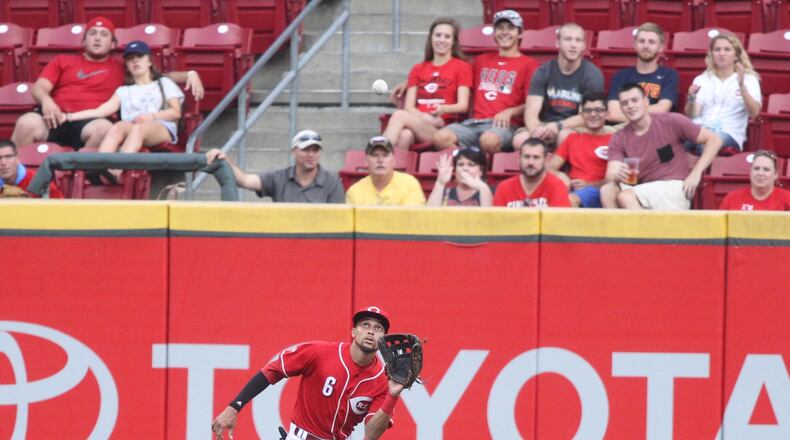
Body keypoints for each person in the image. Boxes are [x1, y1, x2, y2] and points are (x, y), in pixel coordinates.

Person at [211, 306, 404, 440]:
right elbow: (272, 371)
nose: (370, 332)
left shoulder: (382, 380)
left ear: (383, 339)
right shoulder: (319, 352)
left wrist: (393, 396)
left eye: (378, 328)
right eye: (365, 325)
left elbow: (370, 434)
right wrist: (234, 407)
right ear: (353, 332)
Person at [11, 17, 203, 150]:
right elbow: (39, 88)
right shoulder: (62, 60)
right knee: (25, 122)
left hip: (90, 122)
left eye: (104, 34)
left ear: (112, 44)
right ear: (83, 40)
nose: (97, 38)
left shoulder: (122, 66)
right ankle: (9, 183)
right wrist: (46, 101)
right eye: (92, 33)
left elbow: (156, 76)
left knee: (104, 129)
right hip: (55, 116)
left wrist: (189, 74)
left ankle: (79, 182)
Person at [63, 40, 184, 182]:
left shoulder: (163, 82)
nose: (135, 62)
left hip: (160, 125)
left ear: (149, 61)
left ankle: (115, 171)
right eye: (131, 59)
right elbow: (100, 111)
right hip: (132, 125)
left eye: (140, 57)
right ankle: (97, 167)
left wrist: (151, 116)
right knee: (117, 127)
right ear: (127, 65)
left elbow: (176, 112)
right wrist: (68, 116)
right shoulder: (124, 90)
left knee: (138, 130)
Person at [431, 9, 539, 153]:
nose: (504, 32)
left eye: (510, 28)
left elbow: (534, 102)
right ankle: (468, 162)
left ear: (520, 33)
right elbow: (453, 73)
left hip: (505, 126)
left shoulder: (529, 64)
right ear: (494, 33)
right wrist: (409, 83)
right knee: (440, 137)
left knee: (488, 141)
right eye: (500, 28)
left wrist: (511, 112)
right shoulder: (481, 60)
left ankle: (487, 168)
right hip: (473, 124)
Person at [600, 83, 722, 210]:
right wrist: (617, 175)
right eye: (625, 103)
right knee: (607, 190)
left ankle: (644, 230)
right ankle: (623, 230)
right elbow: (611, 174)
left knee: (626, 197)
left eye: (634, 100)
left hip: (674, 186)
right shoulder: (619, 137)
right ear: (621, 108)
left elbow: (714, 140)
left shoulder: (671, 121)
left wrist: (696, 173)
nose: (630, 106)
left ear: (646, 102)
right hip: (640, 188)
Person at [382, 17, 472, 150]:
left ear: (453, 42)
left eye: (447, 36)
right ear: (431, 39)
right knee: (405, 135)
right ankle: (394, 168)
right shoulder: (418, 69)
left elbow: (463, 105)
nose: (441, 40)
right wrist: (425, 117)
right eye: (438, 35)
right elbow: (409, 106)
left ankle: (377, 154)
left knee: (398, 115)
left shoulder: (462, 67)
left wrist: (443, 109)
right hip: (420, 123)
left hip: (444, 129)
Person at [515, 22, 604, 148]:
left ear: (584, 45)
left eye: (578, 40)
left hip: (575, 127)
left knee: (565, 137)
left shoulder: (592, 75)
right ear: (558, 43)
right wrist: (536, 131)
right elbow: (531, 112)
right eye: (568, 39)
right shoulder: (543, 71)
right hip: (545, 124)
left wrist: (558, 126)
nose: (573, 45)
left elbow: (586, 117)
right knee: (521, 139)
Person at [205, 129, 345, 203]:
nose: (311, 154)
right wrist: (226, 160)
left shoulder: (332, 182)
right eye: (306, 149)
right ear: (293, 152)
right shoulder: (279, 178)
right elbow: (244, 180)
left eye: (315, 150)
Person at [684, 33, 761, 155]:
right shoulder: (701, 79)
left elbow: (754, 113)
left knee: (706, 143)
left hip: (729, 134)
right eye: (717, 49)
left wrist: (742, 87)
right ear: (712, 54)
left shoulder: (749, 80)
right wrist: (692, 98)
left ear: (736, 55)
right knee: (668, 143)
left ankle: (698, 173)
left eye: (727, 49)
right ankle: (656, 173)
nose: (721, 53)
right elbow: (693, 115)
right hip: (701, 129)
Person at [547, 91, 612, 207]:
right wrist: (562, 176)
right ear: (581, 115)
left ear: (607, 114)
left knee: (570, 200)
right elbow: (550, 169)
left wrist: (589, 185)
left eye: (598, 110)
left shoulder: (615, 140)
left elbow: (615, 179)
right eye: (588, 111)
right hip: (572, 191)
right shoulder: (572, 139)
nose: (593, 114)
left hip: (599, 193)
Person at [606, 22, 678, 123]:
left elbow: (662, 110)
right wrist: (646, 113)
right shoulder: (620, 75)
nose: (646, 46)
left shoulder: (669, 75)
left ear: (661, 47)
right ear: (634, 44)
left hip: (654, 130)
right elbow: (613, 114)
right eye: (641, 41)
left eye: (651, 42)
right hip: (622, 129)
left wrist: (628, 113)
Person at [346, 136, 426, 205]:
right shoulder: (354, 191)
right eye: (375, 155)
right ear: (366, 161)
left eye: (385, 155)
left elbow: (413, 220)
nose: (380, 160)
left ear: (394, 161)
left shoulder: (410, 184)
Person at [493, 137, 571, 207]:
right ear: (519, 159)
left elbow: (559, 222)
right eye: (527, 157)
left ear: (546, 160)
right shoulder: (504, 188)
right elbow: (497, 221)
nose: (531, 162)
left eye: (536, 157)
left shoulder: (557, 187)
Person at [719, 150, 790, 210]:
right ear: (750, 172)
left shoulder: (787, 198)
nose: (760, 173)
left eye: (766, 169)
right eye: (756, 168)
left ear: (776, 174)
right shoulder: (732, 198)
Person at [427, 146, 493, 206]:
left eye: (471, 165)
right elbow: (429, 215)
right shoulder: (444, 192)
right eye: (460, 164)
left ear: (481, 171)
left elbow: (489, 217)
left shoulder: (490, 192)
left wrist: (483, 187)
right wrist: (440, 183)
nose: (465, 168)